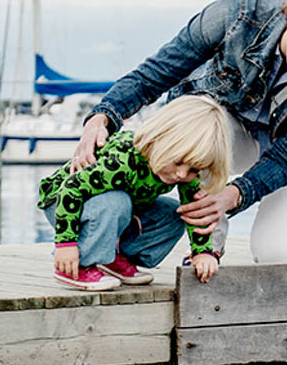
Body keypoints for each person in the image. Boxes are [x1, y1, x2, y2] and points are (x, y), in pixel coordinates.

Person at [73, 0, 287, 264]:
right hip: (230, 127)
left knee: (281, 254)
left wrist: (234, 195)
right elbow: (159, 72)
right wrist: (102, 116)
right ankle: (210, 246)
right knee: (194, 127)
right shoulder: (241, 11)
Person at [38, 94, 231, 290]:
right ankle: (77, 266)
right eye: (178, 162)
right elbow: (71, 189)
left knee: (175, 213)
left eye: (193, 170)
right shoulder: (123, 160)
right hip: (63, 202)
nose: (181, 174)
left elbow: (194, 210)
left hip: (114, 209)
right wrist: (66, 244)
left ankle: (112, 259)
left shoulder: (182, 172)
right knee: (117, 201)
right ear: (159, 141)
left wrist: (202, 252)